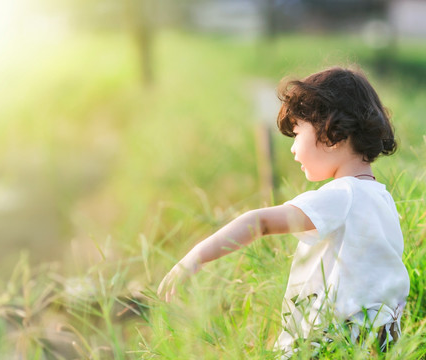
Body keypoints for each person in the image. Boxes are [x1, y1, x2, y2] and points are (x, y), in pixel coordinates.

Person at [157, 66, 410, 358]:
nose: (292, 149)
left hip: (332, 341)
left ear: (333, 133)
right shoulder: (382, 198)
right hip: (380, 341)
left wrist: (194, 258)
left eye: (297, 132)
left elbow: (259, 222)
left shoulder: (342, 195)